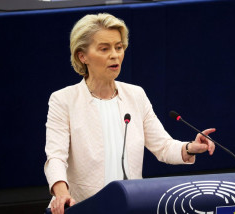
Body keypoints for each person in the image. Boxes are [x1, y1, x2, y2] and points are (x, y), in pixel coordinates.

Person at [44, 13, 216, 214]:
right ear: (82, 56)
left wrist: (190, 148)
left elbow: (163, 146)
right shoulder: (63, 100)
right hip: (81, 207)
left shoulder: (135, 95)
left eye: (119, 47)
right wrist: (61, 193)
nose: (115, 55)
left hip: (129, 207)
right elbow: (56, 157)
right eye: (104, 48)